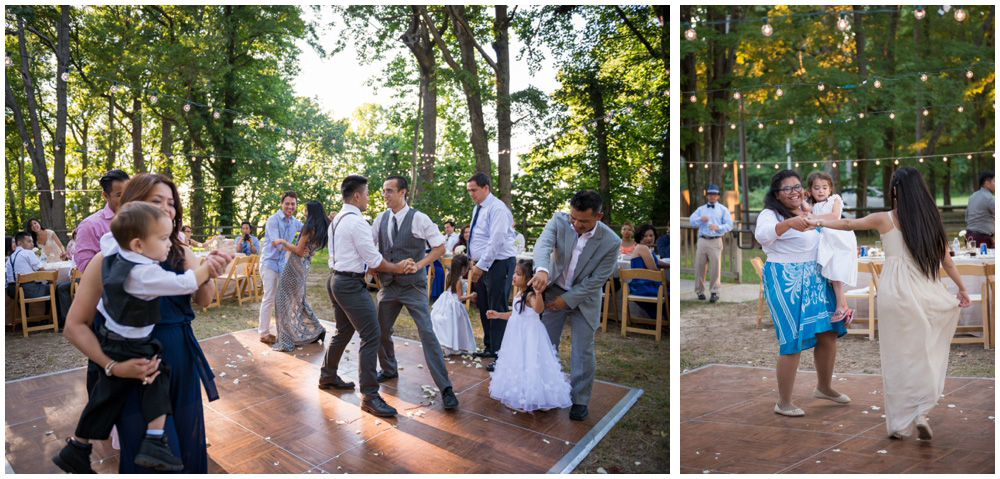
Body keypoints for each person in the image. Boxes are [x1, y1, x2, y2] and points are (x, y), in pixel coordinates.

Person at [62, 172, 232, 473]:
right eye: (157, 201)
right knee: (150, 464)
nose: (167, 209)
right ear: (133, 206)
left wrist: (207, 267)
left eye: (171, 203)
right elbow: (74, 326)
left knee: (186, 452)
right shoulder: (107, 260)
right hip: (133, 369)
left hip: (179, 364)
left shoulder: (180, 253)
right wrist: (113, 366)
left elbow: (204, 299)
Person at [809, 166, 971, 440]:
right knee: (924, 352)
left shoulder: (885, 218)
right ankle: (920, 411)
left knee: (897, 357)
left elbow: (848, 224)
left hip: (894, 294)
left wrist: (817, 222)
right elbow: (947, 262)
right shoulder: (932, 219)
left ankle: (898, 423)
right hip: (926, 292)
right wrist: (963, 289)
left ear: (895, 190)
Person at [318, 175, 416, 417]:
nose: (370, 198)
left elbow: (357, 254)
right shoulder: (357, 222)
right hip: (349, 285)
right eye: (368, 194)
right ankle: (370, 396)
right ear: (357, 196)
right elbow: (374, 260)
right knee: (372, 335)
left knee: (343, 330)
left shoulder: (337, 220)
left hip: (335, 280)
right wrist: (398, 266)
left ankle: (327, 376)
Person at [754, 170, 847, 418]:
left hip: (817, 277)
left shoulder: (810, 211)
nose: (794, 192)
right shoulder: (770, 214)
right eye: (787, 188)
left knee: (828, 333)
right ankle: (783, 402)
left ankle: (824, 387)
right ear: (776, 194)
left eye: (797, 186)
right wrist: (787, 224)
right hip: (785, 279)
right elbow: (762, 235)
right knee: (792, 339)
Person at [529, 190, 621, 421]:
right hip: (554, 290)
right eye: (574, 218)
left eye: (584, 221)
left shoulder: (611, 242)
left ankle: (580, 400)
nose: (577, 224)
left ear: (599, 217)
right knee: (546, 345)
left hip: (586, 298)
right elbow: (543, 246)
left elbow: (597, 281)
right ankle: (546, 392)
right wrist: (541, 269)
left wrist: (567, 301)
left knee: (583, 350)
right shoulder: (558, 221)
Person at [371, 176, 458, 409]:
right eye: (383, 191)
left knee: (427, 333)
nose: (385, 195)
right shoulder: (380, 219)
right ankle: (388, 369)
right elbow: (370, 248)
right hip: (389, 286)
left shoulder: (419, 218)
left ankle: (446, 388)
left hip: (414, 287)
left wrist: (420, 265)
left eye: (390, 191)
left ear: (403, 193)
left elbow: (440, 247)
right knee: (379, 330)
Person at [488, 259, 572, 412]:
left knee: (529, 362)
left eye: (518, 274)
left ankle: (529, 397)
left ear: (529, 279)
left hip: (529, 335)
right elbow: (516, 314)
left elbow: (538, 309)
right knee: (519, 363)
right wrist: (498, 315)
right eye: (514, 273)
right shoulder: (520, 293)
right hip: (517, 334)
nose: (513, 276)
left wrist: (538, 293)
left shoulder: (530, 296)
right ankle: (522, 393)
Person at [57, 170, 130, 327]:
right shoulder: (90, 225)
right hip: (107, 303)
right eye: (119, 195)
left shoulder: (139, 219)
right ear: (105, 195)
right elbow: (85, 265)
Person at [465, 173, 517, 360]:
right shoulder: (478, 208)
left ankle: (499, 352)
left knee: (497, 307)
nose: (471, 194)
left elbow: (496, 240)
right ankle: (489, 346)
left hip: (498, 263)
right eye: (469, 190)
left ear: (486, 188)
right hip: (482, 265)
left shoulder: (497, 209)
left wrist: (482, 265)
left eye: (474, 190)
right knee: (484, 305)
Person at [271, 201, 328, 352]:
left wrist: (283, 242)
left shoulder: (308, 227)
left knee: (282, 301)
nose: (304, 213)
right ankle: (317, 329)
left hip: (294, 266)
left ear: (312, 212)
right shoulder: (322, 227)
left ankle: (286, 340)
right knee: (299, 300)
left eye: (306, 210)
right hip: (305, 266)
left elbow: (299, 250)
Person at [801, 171, 858, 324]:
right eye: (816, 188)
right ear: (811, 190)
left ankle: (842, 306)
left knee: (835, 271)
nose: (821, 191)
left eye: (824, 187)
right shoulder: (815, 206)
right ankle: (843, 306)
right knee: (832, 275)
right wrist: (802, 196)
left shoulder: (834, 200)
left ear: (830, 189)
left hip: (838, 237)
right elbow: (805, 208)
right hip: (826, 239)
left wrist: (813, 218)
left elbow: (834, 216)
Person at [258, 191, 303, 344]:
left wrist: (326, 221)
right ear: (281, 204)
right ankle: (263, 333)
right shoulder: (273, 220)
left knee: (284, 299)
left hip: (282, 265)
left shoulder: (295, 222)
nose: (290, 207)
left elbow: (308, 229)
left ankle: (283, 331)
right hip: (269, 264)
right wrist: (297, 249)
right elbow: (278, 245)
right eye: (287, 203)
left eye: (293, 204)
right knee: (269, 298)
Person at [689, 184, 733, 302]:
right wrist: (700, 219)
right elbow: (691, 221)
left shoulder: (723, 210)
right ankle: (699, 291)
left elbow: (729, 225)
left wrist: (717, 227)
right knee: (700, 266)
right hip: (702, 240)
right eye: (710, 194)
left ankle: (714, 292)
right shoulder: (701, 209)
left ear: (718, 196)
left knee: (715, 267)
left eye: (714, 194)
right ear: (707, 196)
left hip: (715, 240)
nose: (712, 196)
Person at [430, 253, 478, 355]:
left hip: (446, 301)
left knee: (448, 324)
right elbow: (460, 297)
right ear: (463, 268)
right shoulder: (459, 281)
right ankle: (452, 345)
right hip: (455, 304)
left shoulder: (449, 275)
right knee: (455, 325)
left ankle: (446, 343)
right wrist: (471, 296)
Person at [628, 224, 666, 318]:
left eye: (651, 235)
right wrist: (667, 282)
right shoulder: (642, 248)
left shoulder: (646, 248)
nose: (648, 238)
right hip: (643, 286)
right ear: (639, 236)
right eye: (645, 236)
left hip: (642, 285)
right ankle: (665, 321)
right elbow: (653, 269)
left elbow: (656, 261)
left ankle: (664, 320)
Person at [6, 232, 45, 299]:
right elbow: (41, 270)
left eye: (32, 241)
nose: (32, 244)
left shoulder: (11, 257)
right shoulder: (28, 252)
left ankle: (24, 309)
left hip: (12, 291)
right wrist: (52, 281)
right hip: (27, 290)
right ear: (20, 243)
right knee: (54, 288)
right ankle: (51, 310)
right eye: (29, 241)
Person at [965, 170, 994, 249]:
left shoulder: (972, 196)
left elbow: (967, 217)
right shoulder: (990, 199)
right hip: (982, 239)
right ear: (987, 183)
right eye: (995, 181)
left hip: (969, 236)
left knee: (970, 261)